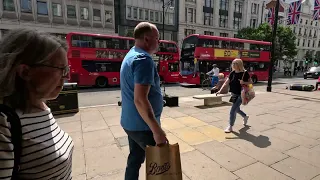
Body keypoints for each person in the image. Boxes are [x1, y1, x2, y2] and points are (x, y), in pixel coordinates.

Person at [0, 29, 73, 179]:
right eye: (61, 69)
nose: (67, 76)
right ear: (25, 72)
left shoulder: (42, 106)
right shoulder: (4, 123)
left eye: (66, 69)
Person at [120, 22, 167, 180]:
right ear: (147, 39)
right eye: (157, 38)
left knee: (135, 159)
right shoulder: (143, 59)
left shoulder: (131, 54)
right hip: (143, 127)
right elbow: (140, 100)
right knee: (163, 164)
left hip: (130, 123)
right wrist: (157, 131)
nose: (159, 42)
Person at [217, 59, 252, 133]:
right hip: (234, 94)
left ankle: (230, 126)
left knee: (232, 110)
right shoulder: (232, 73)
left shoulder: (245, 73)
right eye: (233, 63)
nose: (233, 65)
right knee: (236, 109)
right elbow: (226, 82)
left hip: (241, 94)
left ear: (239, 64)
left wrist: (244, 82)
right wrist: (220, 90)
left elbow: (251, 82)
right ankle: (245, 116)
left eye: (235, 63)